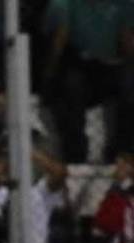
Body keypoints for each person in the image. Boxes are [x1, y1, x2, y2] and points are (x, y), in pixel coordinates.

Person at [44, 0, 134, 164]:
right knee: (72, 88)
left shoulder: (123, 5)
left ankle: (122, 153)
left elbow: (126, 40)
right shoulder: (63, 4)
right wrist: (50, 73)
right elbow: (59, 39)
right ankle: (75, 155)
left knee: (129, 87)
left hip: (109, 66)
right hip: (77, 65)